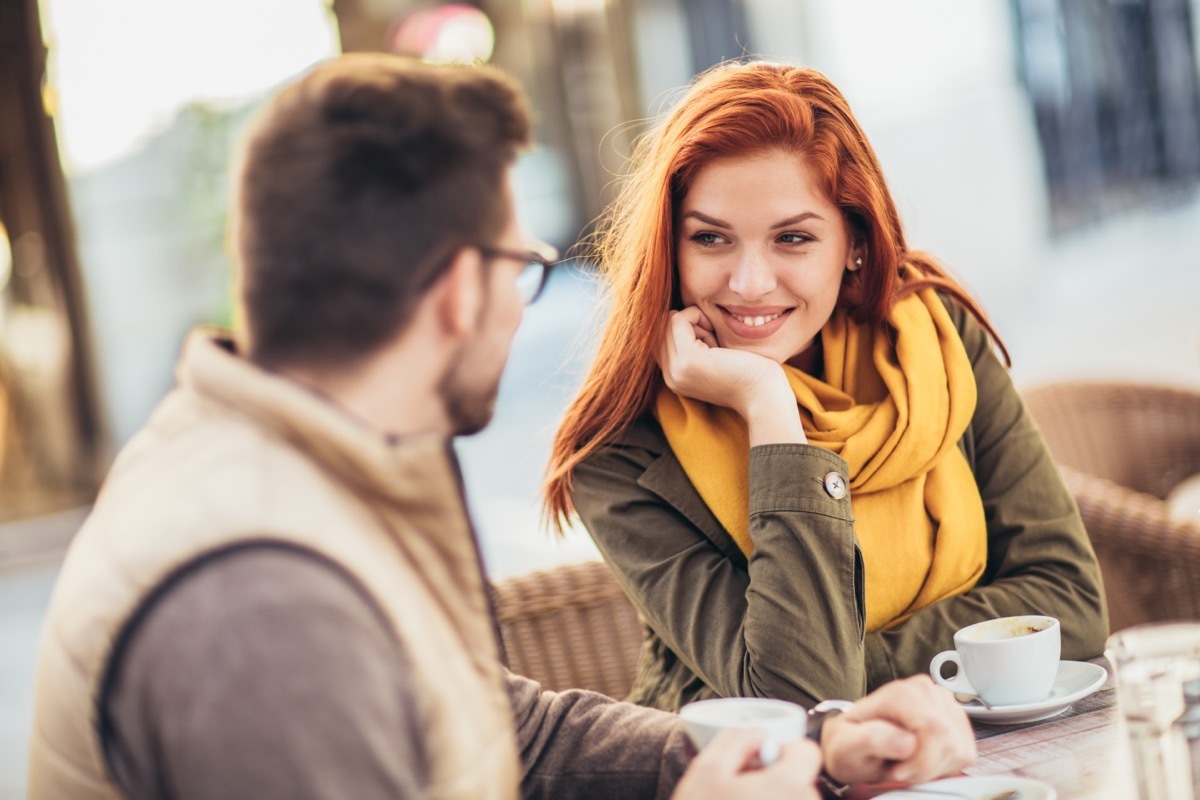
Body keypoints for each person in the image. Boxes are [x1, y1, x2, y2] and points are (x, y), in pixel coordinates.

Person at [26, 54, 974, 799]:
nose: (525, 309)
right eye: (520, 270)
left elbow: (508, 730)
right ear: (454, 293)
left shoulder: (297, 460)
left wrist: (816, 741)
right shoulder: (264, 601)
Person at [545, 61, 1110, 713]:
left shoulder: (933, 336)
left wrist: (855, 661)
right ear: (669, 248)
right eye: (710, 238)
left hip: (997, 751)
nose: (750, 281)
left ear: (855, 243)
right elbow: (801, 697)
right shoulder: (623, 453)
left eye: (793, 238)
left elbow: (1070, 600)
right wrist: (767, 406)